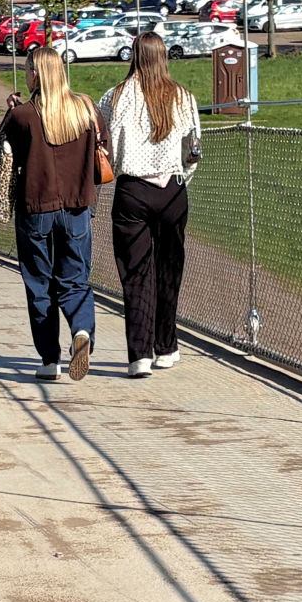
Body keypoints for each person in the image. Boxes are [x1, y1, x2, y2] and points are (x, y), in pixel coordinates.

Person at [98, 31, 201, 379]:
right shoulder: (183, 97)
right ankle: (167, 346)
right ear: (163, 57)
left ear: (133, 56)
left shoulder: (114, 97)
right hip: (171, 190)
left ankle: (139, 355)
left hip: (132, 191)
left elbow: (102, 141)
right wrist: (182, 175)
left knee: (135, 273)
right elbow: (193, 147)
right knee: (169, 268)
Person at [0, 46, 100, 382]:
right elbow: (101, 158)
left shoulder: (23, 116)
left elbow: (2, 155)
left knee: (39, 284)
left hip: (36, 208)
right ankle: (81, 331)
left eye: (27, 69)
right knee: (74, 281)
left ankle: (49, 359)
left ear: (36, 73)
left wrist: (9, 112)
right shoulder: (86, 109)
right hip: (77, 209)